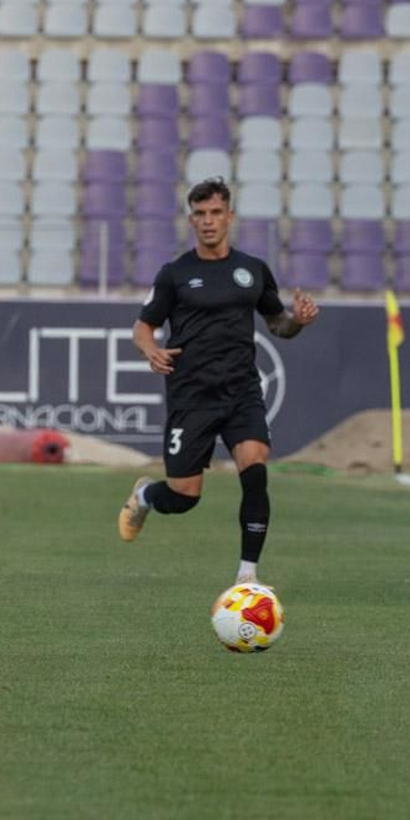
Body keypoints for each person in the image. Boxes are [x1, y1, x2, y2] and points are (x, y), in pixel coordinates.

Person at [119, 179, 320, 585]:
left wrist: (297, 320)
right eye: (200, 214)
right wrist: (151, 350)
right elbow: (142, 328)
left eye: (215, 213)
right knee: (184, 497)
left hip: (242, 390)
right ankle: (144, 496)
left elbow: (278, 324)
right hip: (192, 396)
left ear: (230, 216)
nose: (208, 221)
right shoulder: (175, 274)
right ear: (191, 220)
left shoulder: (253, 270)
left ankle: (247, 577)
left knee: (256, 467)